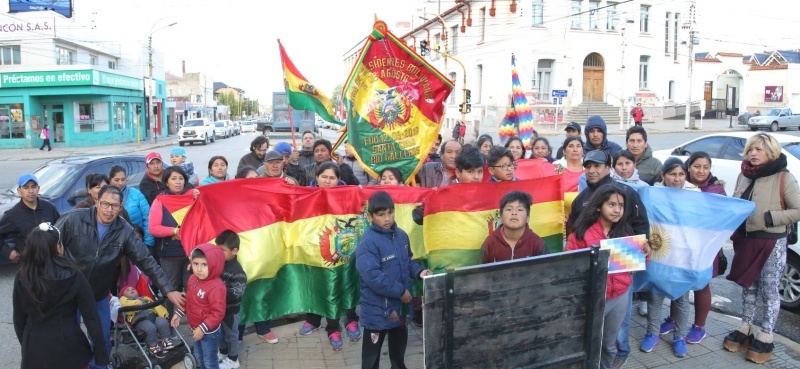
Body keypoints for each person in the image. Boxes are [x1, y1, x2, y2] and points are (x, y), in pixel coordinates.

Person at [55, 185, 182, 369]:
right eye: (105, 204)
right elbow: (46, 246)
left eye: (114, 206)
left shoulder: (125, 230)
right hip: (68, 291)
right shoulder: (73, 219)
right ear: (97, 202)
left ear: (121, 206)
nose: (109, 210)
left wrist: (169, 290)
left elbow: (146, 260)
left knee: (102, 341)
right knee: (66, 338)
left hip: (98, 294)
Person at [723, 133, 800, 364]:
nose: (753, 154)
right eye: (750, 150)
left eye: (759, 150)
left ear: (771, 152)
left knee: (769, 289)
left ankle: (766, 333)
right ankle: (745, 327)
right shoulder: (743, 175)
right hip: (746, 239)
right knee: (748, 286)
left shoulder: (784, 177)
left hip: (771, 241)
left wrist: (770, 217)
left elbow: (797, 209)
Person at [565, 185, 649, 369]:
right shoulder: (582, 234)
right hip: (592, 298)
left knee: (609, 345)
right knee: (586, 343)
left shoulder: (625, 233)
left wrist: (644, 253)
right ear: (598, 206)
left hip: (620, 296)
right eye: (611, 204)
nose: (617, 209)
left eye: (621, 205)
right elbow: (570, 266)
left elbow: (635, 266)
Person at [656, 152, 726, 351]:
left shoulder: (715, 190)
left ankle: (699, 326)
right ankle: (673, 319)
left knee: (701, 284)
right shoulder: (678, 186)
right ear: (688, 168)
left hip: (704, 246)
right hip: (679, 245)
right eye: (696, 166)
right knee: (678, 281)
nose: (701, 171)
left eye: (705, 167)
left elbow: (721, 218)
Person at [13, 223, 108, 369]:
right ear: (58, 248)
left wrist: (26, 344)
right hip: (72, 349)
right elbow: (91, 317)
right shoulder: (74, 275)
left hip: (35, 351)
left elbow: (19, 320)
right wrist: (101, 355)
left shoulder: (22, 277)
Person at [356, 191, 432, 369]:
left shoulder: (401, 235)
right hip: (377, 310)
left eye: (390, 212)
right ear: (370, 216)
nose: (387, 218)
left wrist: (419, 272)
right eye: (381, 214)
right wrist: (401, 291)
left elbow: (407, 261)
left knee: (398, 353)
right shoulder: (368, 243)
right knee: (371, 358)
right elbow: (373, 277)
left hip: (399, 310)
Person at [639, 158, 697, 359]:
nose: (677, 179)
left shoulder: (694, 196)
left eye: (681, 174)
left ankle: (679, 337)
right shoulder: (654, 194)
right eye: (672, 174)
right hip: (660, 252)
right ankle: (652, 332)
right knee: (655, 296)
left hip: (682, 255)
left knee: (681, 298)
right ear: (663, 175)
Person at [300, 162, 361, 349]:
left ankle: (351, 319)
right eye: (324, 177)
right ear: (316, 177)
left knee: (346, 284)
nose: (327, 181)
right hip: (316, 250)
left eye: (332, 178)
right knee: (320, 285)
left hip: (344, 251)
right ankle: (325, 324)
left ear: (338, 179)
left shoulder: (348, 195)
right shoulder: (305, 196)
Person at [149, 166, 199, 315]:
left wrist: (200, 198)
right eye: (173, 179)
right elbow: (153, 228)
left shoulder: (194, 196)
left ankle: (195, 324)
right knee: (170, 291)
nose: (178, 182)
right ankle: (167, 328)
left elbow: (203, 221)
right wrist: (175, 231)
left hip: (192, 253)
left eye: (181, 178)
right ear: (166, 181)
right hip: (169, 255)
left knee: (193, 291)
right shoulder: (160, 200)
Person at [566, 150, 649, 239]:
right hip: (589, 250)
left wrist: (639, 246)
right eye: (588, 167)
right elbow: (573, 229)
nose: (591, 171)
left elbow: (641, 225)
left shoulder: (627, 193)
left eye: (597, 166)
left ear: (608, 168)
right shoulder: (580, 198)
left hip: (622, 249)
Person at [171, 244, 227, 369]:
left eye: (204, 265)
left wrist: (202, 328)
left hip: (209, 333)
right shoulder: (192, 279)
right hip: (195, 328)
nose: (199, 269)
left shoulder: (217, 287)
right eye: (196, 264)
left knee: (210, 361)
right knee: (199, 358)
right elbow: (190, 300)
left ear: (214, 264)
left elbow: (218, 313)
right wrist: (179, 313)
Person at [0, 173, 60, 262]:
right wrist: (8, 252)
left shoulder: (50, 208)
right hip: (29, 264)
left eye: (33, 187)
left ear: (38, 188)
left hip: (52, 261)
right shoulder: (12, 214)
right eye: (26, 187)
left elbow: (60, 230)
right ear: (19, 190)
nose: (31, 191)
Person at [482, 191, 548, 263]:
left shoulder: (537, 243)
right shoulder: (490, 242)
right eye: (509, 209)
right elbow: (480, 272)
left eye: (520, 209)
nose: (514, 213)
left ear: (527, 218)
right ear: (501, 217)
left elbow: (548, 271)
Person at [216, 230, 248, 369]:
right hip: (218, 309)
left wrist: (218, 292)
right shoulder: (218, 264)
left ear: (234, 251)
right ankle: (223, 352)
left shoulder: (237, 271)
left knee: (231, 335)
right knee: (221, 333)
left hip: (230, 311)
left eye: (222, 250)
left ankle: (233, 359)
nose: (218, 253)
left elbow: (237, 292)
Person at [118, 285, 172, 359]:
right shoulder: (123, 300)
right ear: (123, 295)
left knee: (163, 322)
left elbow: (156, 306)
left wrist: (163, 313)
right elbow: (124, 304)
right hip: (139, 319)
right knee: (150, 327)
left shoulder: (145, 298)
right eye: (127, 290)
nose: (131, 290)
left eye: (133, 289)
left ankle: (166, 340)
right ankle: (152, 346)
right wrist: (136, 303)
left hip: (152, 316)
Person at [110, 165, 154, 249]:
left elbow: (148, 217)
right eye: (116, 180)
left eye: (123, 179)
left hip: (138, 242)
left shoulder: (136, 194)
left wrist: (148, 243)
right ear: (110, 180)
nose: (120, 183)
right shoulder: (106, 196)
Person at [288, 139, 358, 186]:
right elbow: (298, 183)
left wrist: (342, 166)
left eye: (323, 150)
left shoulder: (339, 168)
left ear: (330, 152)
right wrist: (293, 163)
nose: (319, 153)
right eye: (316, 151)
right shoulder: (307, 169)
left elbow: (353, 185)